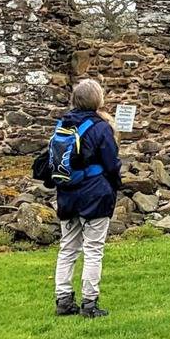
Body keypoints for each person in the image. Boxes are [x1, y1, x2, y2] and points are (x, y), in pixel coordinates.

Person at [51, 78, 122, 319]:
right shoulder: (100, 128)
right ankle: (89, 303)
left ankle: (63, 299)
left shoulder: (63, 124)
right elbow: (112, 164)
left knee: (68, 247)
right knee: (93, 248)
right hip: (94, 194)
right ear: (97, 99)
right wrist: (114, 185)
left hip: (67, 194)